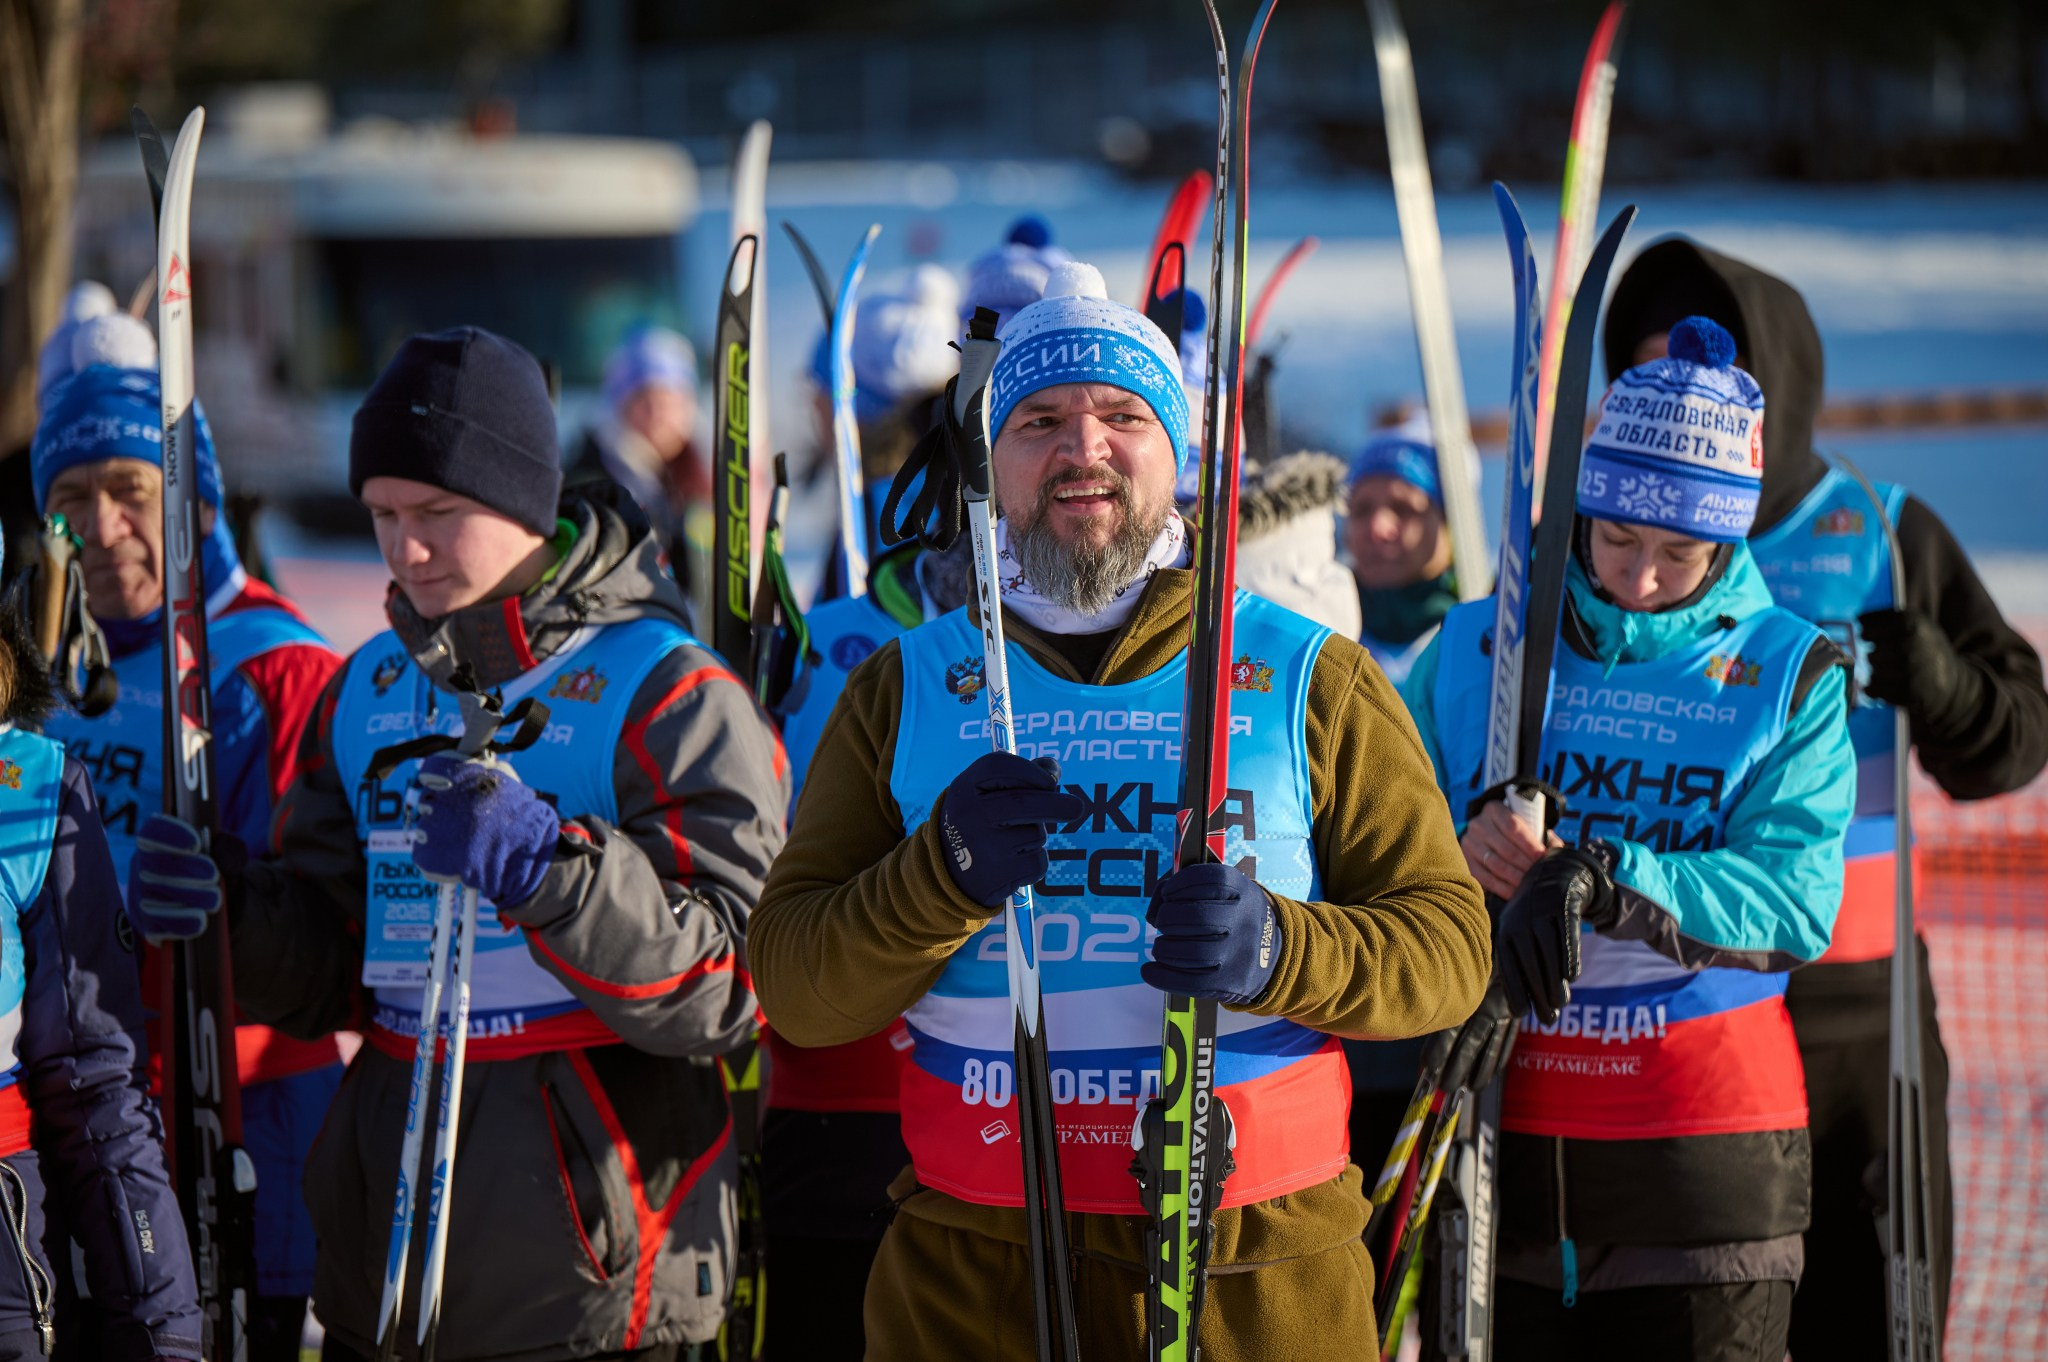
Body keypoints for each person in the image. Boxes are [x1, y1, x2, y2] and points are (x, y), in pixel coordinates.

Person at [751, 262, 1490, 1358]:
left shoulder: (1306, 675)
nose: (1079, 449)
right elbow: (796, 987)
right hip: (973, 1273)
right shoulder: (907, 685)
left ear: (1176, 455)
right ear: (992, 459)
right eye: (1038, 420)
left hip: (1254, 1267)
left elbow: (1448, 953)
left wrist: (1281, 946)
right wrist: (936, 879)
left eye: (1120, 417)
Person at [125, 327, 787, 1361]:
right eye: (381, 516)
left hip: (596, 1283)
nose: (404, 549)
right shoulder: (370, 690)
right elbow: (335, 964)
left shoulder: (662, 688)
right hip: (387, 1270)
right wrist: (233, 914)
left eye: (438, 514)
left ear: (526, 503)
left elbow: (734, 987)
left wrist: (551, 875)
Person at [1602, 239, 2048, 1355]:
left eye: (1705, 370)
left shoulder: (1876, 531)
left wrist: (1939, 688)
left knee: (1869, 1316)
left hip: (1855, 1008)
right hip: (1667, 1004)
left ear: (1772, 382)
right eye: (1645, 371)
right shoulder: (1599, 547)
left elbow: (2014, 740)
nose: (1678, 403)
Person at [1402, 317, 1854, 1361]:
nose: (1640, 578)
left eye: (1678, 553)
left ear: (1727, 541)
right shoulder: (1478, 645)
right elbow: (1361, 826)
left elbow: (1791, 902)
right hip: (1494, 1139)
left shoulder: (1788, 672)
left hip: (1701, 1168)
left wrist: (1605, 877)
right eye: (1614, 540)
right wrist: (1450, 848)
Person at [30, 322, 345, 1361]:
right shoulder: (46, 687)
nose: (104, 524)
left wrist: (225, 898)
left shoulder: (277, 667)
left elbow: (319, 929)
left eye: (130, 488)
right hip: (79, 1129)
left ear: (196, 500)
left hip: (250, 1116)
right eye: (70, 500)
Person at [565, 325, 706, 596]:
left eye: (670, 401)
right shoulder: (594, 481)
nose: (659, 415)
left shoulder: (694, 474)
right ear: (620, 406)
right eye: (645, 401)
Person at [1343, 414, 1461, 686]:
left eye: (1402, 508)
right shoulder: (1321, 628)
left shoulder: (1486, 635)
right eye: (1361, 510)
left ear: (1447, 523)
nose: (1378, 527)